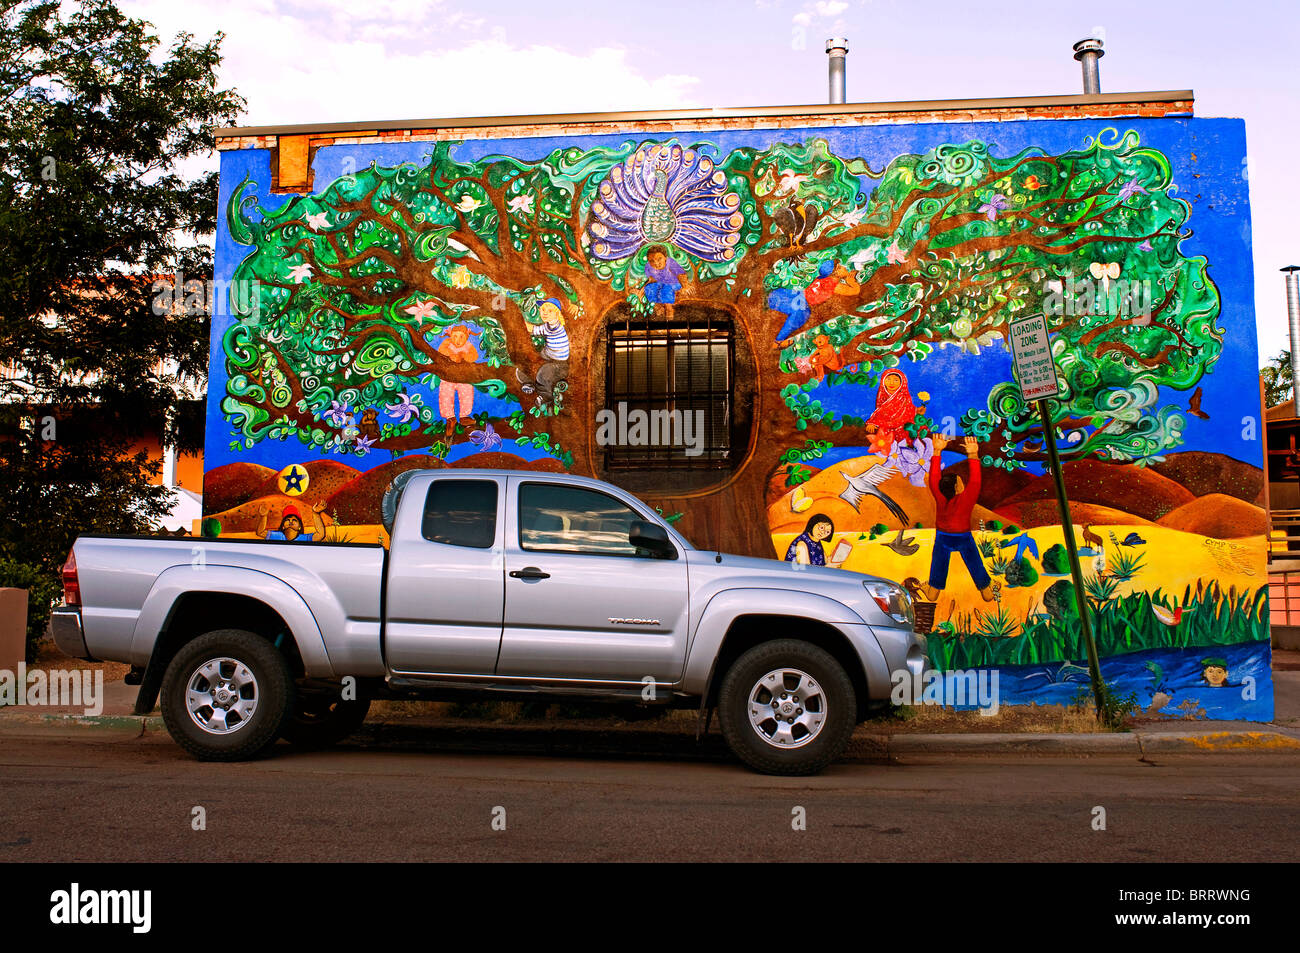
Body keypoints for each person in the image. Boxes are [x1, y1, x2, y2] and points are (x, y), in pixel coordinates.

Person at [921, 435, 996, 602]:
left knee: (938, 565)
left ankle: (933, 591)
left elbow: (934, 479)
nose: (963, 483)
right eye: (960, 482)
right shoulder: (966, 499)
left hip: (943, 537)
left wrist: (937, 450)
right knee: (975, 563)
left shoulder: (939, 496)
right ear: (957, 487)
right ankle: (985, 589)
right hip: (963, 537)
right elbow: (975, 480)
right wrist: (972, 455)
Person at [767, 259, 860, 342]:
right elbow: (855, 291)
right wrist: (851, 282)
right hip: (803, 302)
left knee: (776, 296)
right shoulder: (832, 284)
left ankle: (769, 303)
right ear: (835, 273)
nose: (844, 267)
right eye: (840, 267)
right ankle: (778, 341)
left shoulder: (824, 278)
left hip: (798, 294)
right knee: (799, 316)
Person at [436, 325, 479, 427]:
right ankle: (450, 417)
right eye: (455, 336)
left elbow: (474, 356)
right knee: (445, 395)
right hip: (448, 377)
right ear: (450, 336)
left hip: (464, 378)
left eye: (461, 337)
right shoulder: (447, 343)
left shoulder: (468, 346)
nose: (458, 340)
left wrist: (463, 355)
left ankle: (464, 416)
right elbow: (441, 350)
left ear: (466, 337)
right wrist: (452, 354)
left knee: (467, 394)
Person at [641, 246, 688, 317]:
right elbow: (652, 280)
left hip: (674, 283)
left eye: (659, 259)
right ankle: (657, 307)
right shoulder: (648, 267)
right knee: (649, 288)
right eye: (652, 261)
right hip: (661, 284)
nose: (656, 263)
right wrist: (641, 290)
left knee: (665, 289)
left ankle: (669, 310)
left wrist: (685, 286)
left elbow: (681, 275)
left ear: (665, 257)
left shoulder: (670, 262)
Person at [257, 501, 327, 542]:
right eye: (287, 520)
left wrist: (316, 514)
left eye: (294, 520)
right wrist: (263, 516)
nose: (291, 522)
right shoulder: (277, 536)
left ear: (300, 527)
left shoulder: (304, 538)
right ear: (283, 526)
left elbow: (321, 535)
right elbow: (260, 532)